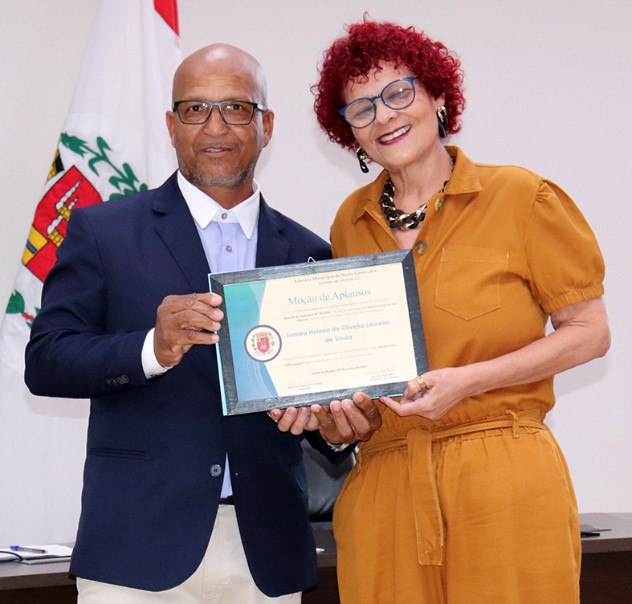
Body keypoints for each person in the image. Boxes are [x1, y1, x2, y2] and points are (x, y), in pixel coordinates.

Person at [25, 43, 380, 604]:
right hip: (137, 546)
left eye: (236, 108)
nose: (216, 127)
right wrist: (152, 348)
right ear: (171, 126)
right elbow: (46, 360)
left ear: (266, 125)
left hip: (266, 552)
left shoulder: (310, 252)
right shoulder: (103, 231)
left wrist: (335, 430)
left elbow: (320, 405)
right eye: (195, 109)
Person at [311, 19, 611, 603]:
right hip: (386, 486)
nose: (384, 116)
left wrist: (469, 381)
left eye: (398, 93)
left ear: (438, 96)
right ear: (350, 133)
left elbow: (590, 333)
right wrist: (344, 417)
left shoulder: (522, 196)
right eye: (362, 109)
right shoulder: (349, 223)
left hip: (502, 481)